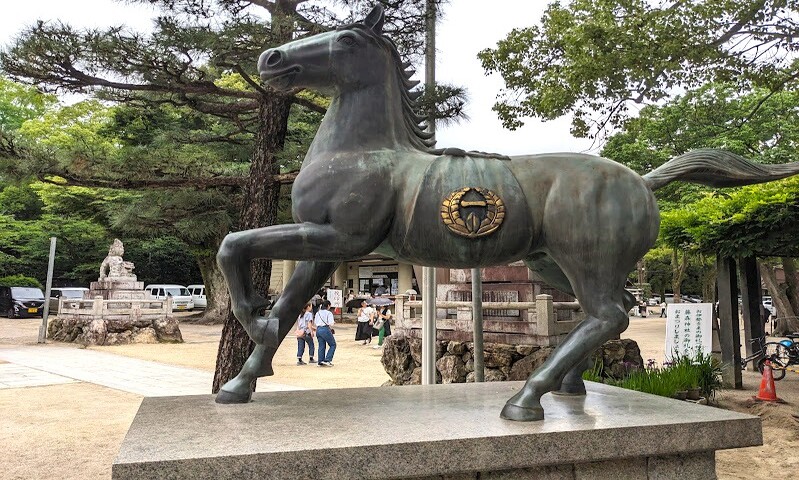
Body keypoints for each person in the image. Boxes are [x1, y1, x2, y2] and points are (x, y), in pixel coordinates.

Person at [314, 300, 336, 366]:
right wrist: (333, 323)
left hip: (318, 329)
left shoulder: (318, 313)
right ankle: (327, 359)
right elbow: (331, 323)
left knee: (321, 345)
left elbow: (315, 322)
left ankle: (320, 361)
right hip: (325, 329)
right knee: (333, 344)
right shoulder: (329, 313)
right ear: (328, 306)